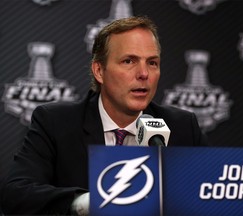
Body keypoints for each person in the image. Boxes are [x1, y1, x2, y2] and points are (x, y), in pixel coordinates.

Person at [0, 16, 208, 215]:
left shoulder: (181, 127)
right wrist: (85, 204)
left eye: (152, 63)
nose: (144, 73)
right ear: (99, 71)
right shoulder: (56, 123)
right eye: (129, 61)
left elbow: (213, 196)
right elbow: (17, 194)